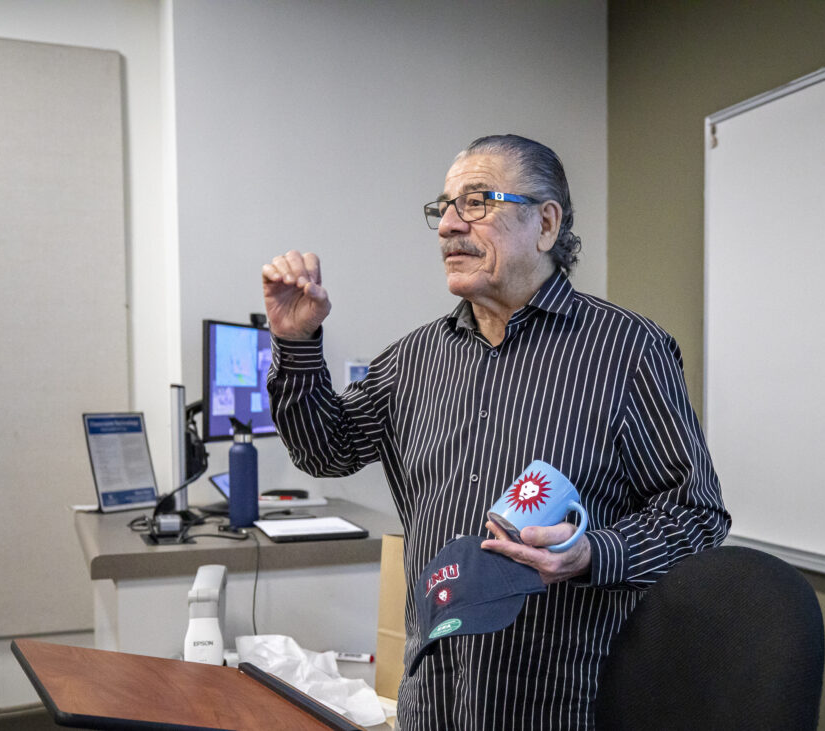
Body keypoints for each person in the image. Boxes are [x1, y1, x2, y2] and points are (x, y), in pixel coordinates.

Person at [262, 134, 730, 730]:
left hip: (562, 701)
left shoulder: (628, 350)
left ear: (545, 223)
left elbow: (696, 514)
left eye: (476, 202)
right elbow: (324, 450)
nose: (448, 225)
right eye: (443, 207)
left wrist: (590, 553)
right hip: (434, 697)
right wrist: (296, 342)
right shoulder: (415, 358)